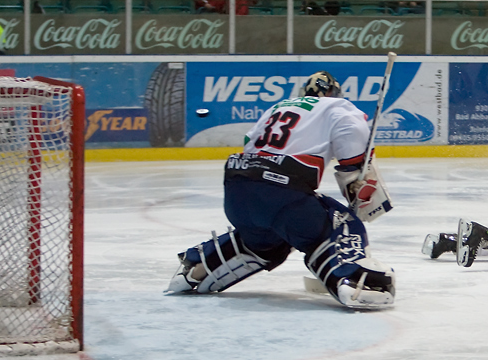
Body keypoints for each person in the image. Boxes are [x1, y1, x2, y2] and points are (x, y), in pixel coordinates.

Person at [166, 71, 396, 309]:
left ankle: (200, 266)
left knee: (269, 241)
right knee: (340, 222)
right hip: (283, 195)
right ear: (332, 92)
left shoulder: (277, 107)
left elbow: (251, 145)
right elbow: (352, 149)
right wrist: (359, 172)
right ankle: (353, 279)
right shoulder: (338, 106)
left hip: (237, 191)